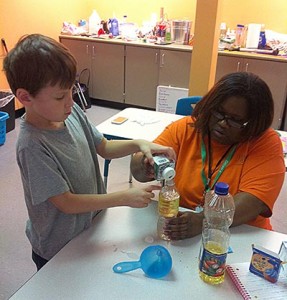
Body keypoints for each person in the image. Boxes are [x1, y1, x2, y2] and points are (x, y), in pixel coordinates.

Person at [3, 34, 175, 270]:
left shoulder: (70, 113)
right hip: (57, 247)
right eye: (60, 96)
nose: (70, 102)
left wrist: (139, 143)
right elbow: (66, 203)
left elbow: (103, 147)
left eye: (70, 91)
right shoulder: (31, 145)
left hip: (89, 227)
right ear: (25, 97)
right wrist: (123, 197)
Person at [131, 72, 285, 240]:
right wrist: (144, 165)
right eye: (218, 113)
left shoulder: (265, 142)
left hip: (241, 233)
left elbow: (254, 201)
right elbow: (137, 169)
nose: (222, 123)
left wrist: (204, 220)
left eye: (235, 120)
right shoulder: (185, 128)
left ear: (254, 124)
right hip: (183, 225)